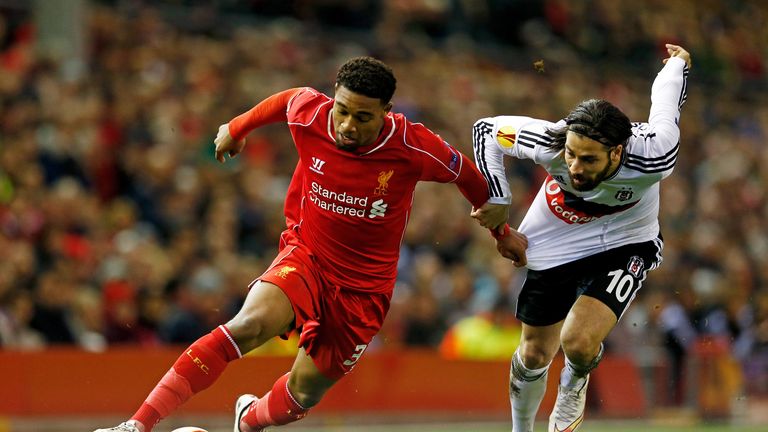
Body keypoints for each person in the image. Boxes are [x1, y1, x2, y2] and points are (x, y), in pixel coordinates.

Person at [95, 56, 523, 432]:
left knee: (304, 393)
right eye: (342, 111)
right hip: (307, 256)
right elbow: (285, 100)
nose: (347, 126)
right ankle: (136, 425)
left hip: (363, 292)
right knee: (247, 325)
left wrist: (501, 233)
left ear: (386, 113)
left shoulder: (413, 146)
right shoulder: (311, 113)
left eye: (362, 117)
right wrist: (235, 128)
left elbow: (469, 177)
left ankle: (250, 420)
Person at [470, 44, 691, 432]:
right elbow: (486, 129)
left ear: (618, 153)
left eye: (588, 159)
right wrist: (500, 200)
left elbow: (666, 99)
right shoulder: (550, 140)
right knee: (535, 353)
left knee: (578, 341)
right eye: (571, 154)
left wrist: (678, 63)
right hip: (558, 234)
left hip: (628, 239)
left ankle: (574, 381)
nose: (574, 166)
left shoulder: (655, 154)